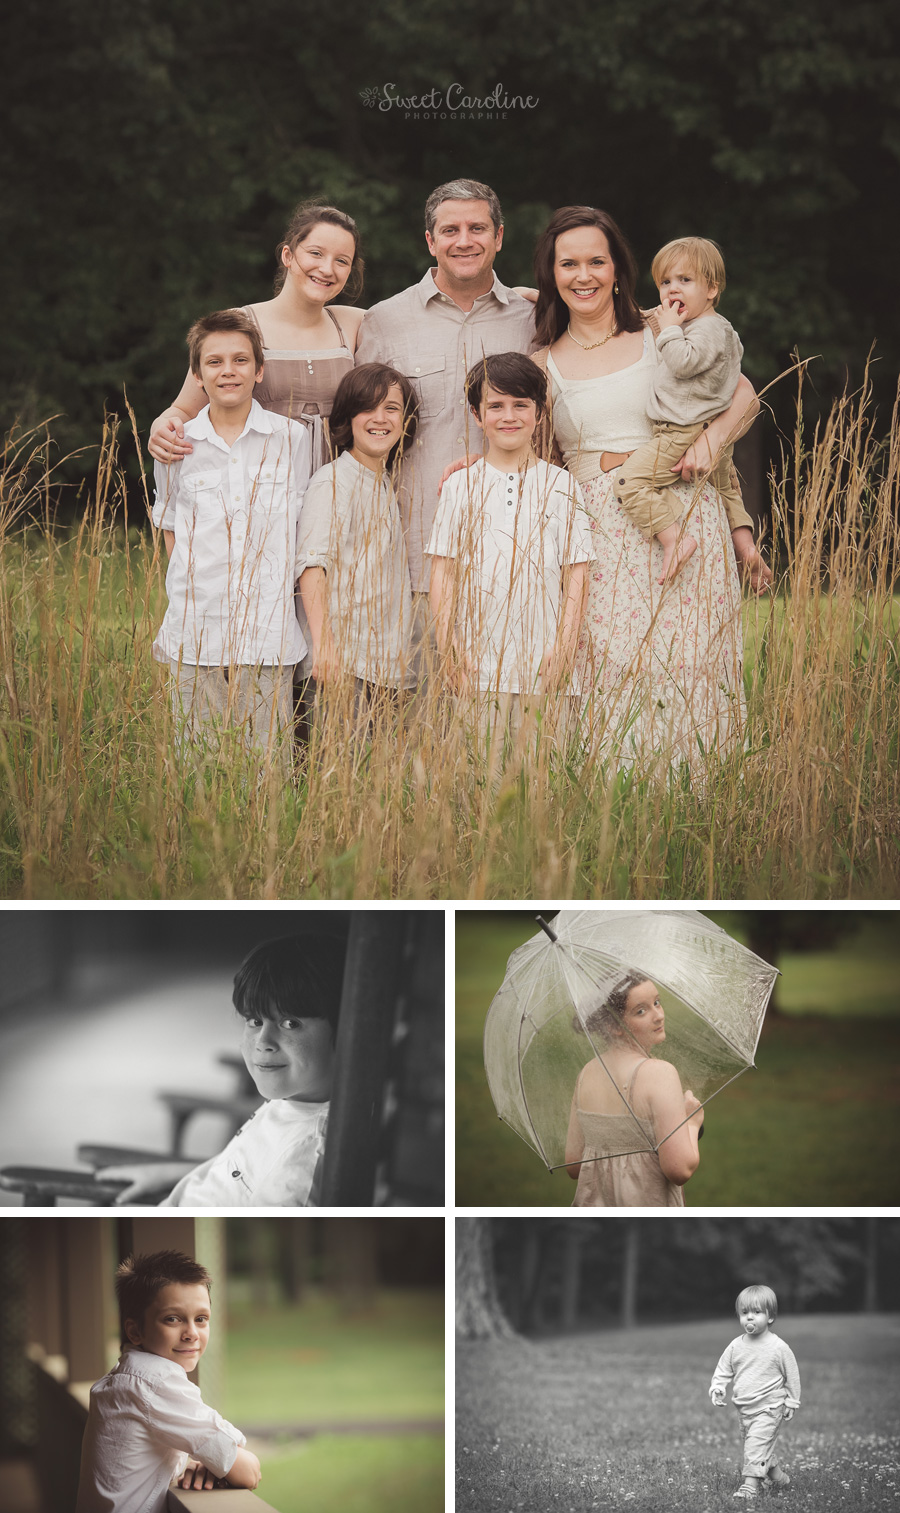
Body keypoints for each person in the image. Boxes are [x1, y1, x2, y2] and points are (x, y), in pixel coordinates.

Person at [532, 205, 767, 767]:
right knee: (616, 666)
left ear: (618, 269)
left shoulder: (661, 330)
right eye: (569, 264)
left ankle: (705, 799)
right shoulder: (541, 361)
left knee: (689, 661)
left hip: (683, 510)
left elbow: (744, 394)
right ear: (552, 274)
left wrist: (711, 441)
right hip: (600, 531)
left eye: (597, 261)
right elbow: (537, 457)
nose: (583, 276)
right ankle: (617, 810)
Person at [355, 179, 536, 677]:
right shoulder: (385, 321)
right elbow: (357, 436)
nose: (465, 240)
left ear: (499, 236)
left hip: (517, 549)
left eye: (477, 228)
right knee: (418, 713)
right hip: (415, 551)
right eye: (450, 229)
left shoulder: (535, 320)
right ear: (430, 241)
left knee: (507, 708)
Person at [151, 310, 309, 762]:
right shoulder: (177, 444)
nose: (228, 371)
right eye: (214, 362)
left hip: (268, 635)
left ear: (259, 370)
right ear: (198, 375)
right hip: (196, 632)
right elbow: (170, 529)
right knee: (197, 769)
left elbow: (300, 526)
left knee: (267, 772)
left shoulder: (291, 439)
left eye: (240, 360)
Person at [427, 353, 592, 755]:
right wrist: (449, 647)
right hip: (476, 669)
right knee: (479, 784)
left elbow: (578, 573)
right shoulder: (459, 487)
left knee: (544, 787)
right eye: (496, 406)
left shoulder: (562, 485)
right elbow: (443, 573)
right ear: (477, 415)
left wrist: (566, 644)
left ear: (539, 412)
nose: (509, 416)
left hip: (546, 668)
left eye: (521, 405)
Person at [99, 935, 343, 1205]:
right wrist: (174, 1173)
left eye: (290, 1023)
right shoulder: (298, 1103)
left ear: (346, 1032)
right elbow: (247, 1170)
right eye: (254, 1020)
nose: (263, 1042)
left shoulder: (300, 1163)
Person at [148, 201, 364, 471]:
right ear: (288, 255)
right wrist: (161, 427)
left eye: (341, 261)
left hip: (335, 492)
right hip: (261, 491)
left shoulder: (354, 323)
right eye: (316, 253)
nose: (327, 269)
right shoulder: (239, 323)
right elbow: (185, 409)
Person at [75, 1250, 261, 1512]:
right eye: (173, 1319)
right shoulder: (155, 1383)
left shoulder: (127, 1377)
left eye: (201, 1319)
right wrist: (226, 1461)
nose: (192, 1334)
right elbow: (249, 1472)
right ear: (135, 1331)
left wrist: (204, 1462)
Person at [613, 236, 748, 584]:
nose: (673, 290)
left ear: (712, 289)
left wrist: (670, 331)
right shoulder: (711, 328)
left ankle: (674, 538)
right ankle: (746, 548)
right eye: (665, 282)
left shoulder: (708, 329)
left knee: (630, 481)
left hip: (682, 430)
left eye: (685, 281)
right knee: (725, 489)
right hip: (702, 426)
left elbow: (684, 363)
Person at [297, 363, 419, 718]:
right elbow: (312, 566)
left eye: (391, 408)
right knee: (334, 771)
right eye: (367, 407)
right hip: (341, 666)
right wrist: (324, 647)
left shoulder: (384, 481)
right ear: (348, 417)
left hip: (385, 668)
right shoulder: (334, 481)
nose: (379, 418)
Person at [564, 973, 704, 1206]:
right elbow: (679, 1168)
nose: (658, 1015)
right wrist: (691, 1123)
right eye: (641, 1011)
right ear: (613, 1026)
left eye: (657, 1002)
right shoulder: (659, 1074)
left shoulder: (586, 1074)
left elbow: (573, 1163)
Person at [710, 1284, 800, 1501]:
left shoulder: (779, 1347)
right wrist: (718, 1387)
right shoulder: (735, 1346)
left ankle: (750, 1487)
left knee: (755, 1445)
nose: (749, 1318)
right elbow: (724, 1369)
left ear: (770, 1317)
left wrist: (792, 1401)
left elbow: (792, 1375)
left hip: (770, 1407)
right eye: (744, 1313)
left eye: (757, 1312)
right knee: (757, 1445)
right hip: (745, 1408)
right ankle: (778, 1477)